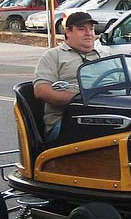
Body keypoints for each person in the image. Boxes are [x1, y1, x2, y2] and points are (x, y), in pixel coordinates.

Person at [33, 11, 110, 141]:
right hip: (67, 121)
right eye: (82, 29)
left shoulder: (105, 55)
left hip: (109, 114)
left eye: (91, 29)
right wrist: (80, 99)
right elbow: (41, 91)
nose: (89, 33)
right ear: (68, 32)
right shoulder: (53, 56)